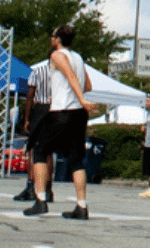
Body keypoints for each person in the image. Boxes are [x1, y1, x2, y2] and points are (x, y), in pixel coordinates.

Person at [23, 25, 96, 220]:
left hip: (62, 111)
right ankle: (81, 206)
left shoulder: (57, 56)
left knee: (39, 151)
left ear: (57, 39)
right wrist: (81, 101)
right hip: (78, 114)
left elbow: (70, 77)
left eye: (52, 35)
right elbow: (87, 84)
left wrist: (80, 99)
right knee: (75, 158)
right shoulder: (78, 58)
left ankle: (40, 200)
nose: (51, 38)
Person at [15, 60, 54, 204]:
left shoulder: (38, 71)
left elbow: (30, 94)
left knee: (33, 150)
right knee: (48, 151)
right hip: (55, 109)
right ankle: (48, 189)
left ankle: (31, 186)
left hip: (41, 109)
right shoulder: (62, 73)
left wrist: (27, 118)